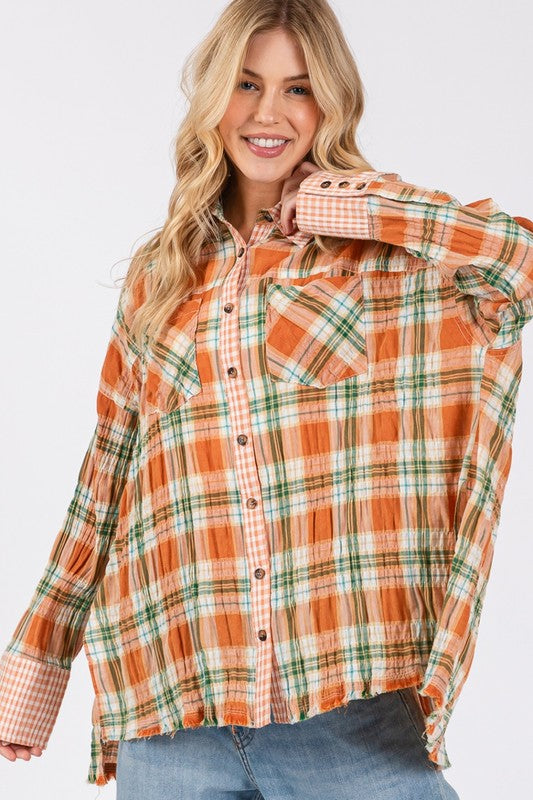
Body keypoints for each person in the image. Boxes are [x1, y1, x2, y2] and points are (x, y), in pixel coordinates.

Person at [1, 1, 532, 797]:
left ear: (331, 102)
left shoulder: (382, 260)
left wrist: (350, 205)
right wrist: (37, 663)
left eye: (298, 87)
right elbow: (106, 480)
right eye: (246, 84)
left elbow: (515, 264)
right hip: (170, 715)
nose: (267, 113)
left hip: (347, 717)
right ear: (214, 96)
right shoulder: (160, 275)